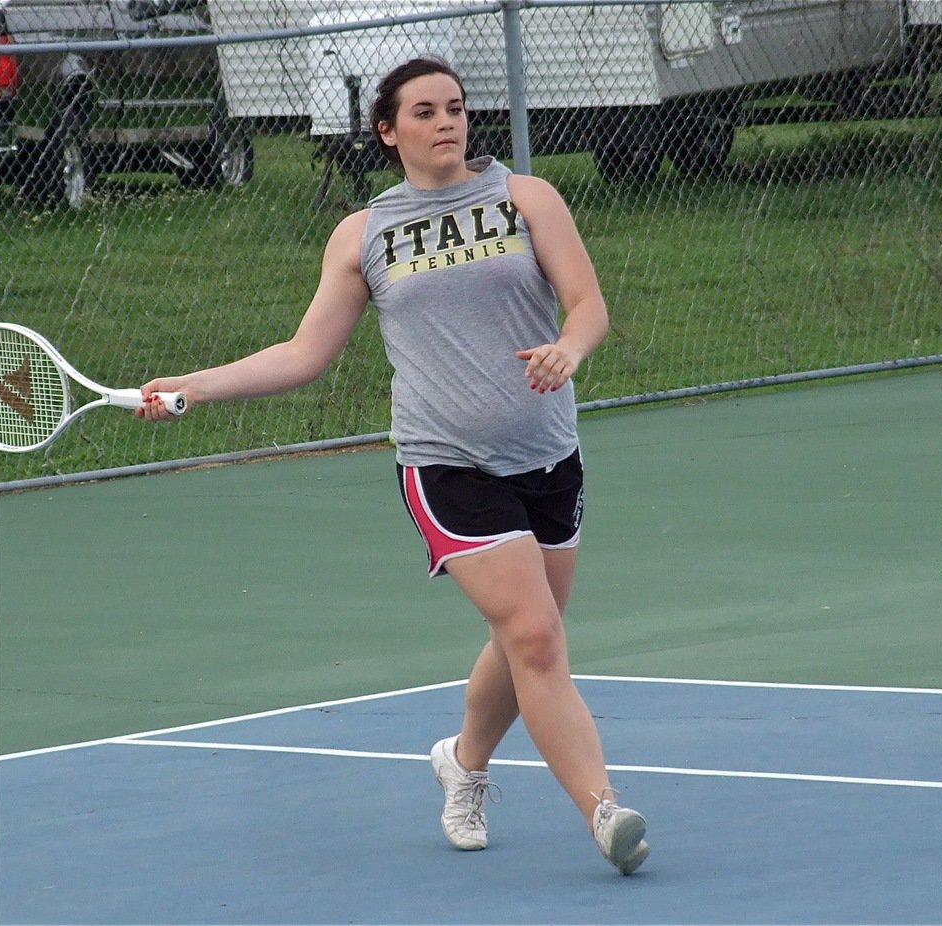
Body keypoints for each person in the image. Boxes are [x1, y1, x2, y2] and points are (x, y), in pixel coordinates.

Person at [136, 56, 648, 875]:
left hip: (548, 453)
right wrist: (196, 386)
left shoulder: (527, 198)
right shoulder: (363, 235)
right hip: (446, 465)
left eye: (456, 108)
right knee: (535, 637)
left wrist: (569, 349)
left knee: (529, 637)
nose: (447, 122)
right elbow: (305, 353)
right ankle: (605, 811)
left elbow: (588, 306)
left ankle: (463, 762)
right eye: (425, 112)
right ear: (388, 130)